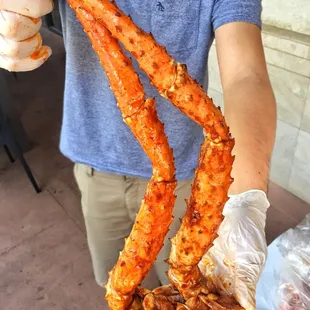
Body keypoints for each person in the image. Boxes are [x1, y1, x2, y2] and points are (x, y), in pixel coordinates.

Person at [0, 1, 277, 309]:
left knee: (171, 279)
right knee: (113, 283)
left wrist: (246, 202)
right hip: (95, 162)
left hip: (189, 183)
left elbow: (246, 74)